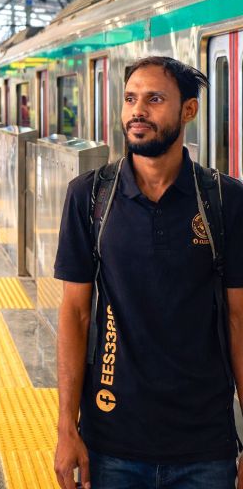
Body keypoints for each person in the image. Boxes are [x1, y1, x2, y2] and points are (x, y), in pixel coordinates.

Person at [53, 56, 243, 489]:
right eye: (130, 99)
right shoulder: (90, 196)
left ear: (189, 110)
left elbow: (239, 319)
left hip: (205, 445)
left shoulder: (225, 200)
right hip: (111, 440)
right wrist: (66, 427)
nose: (137, 111)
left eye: (155, 99)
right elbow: (75, 314)